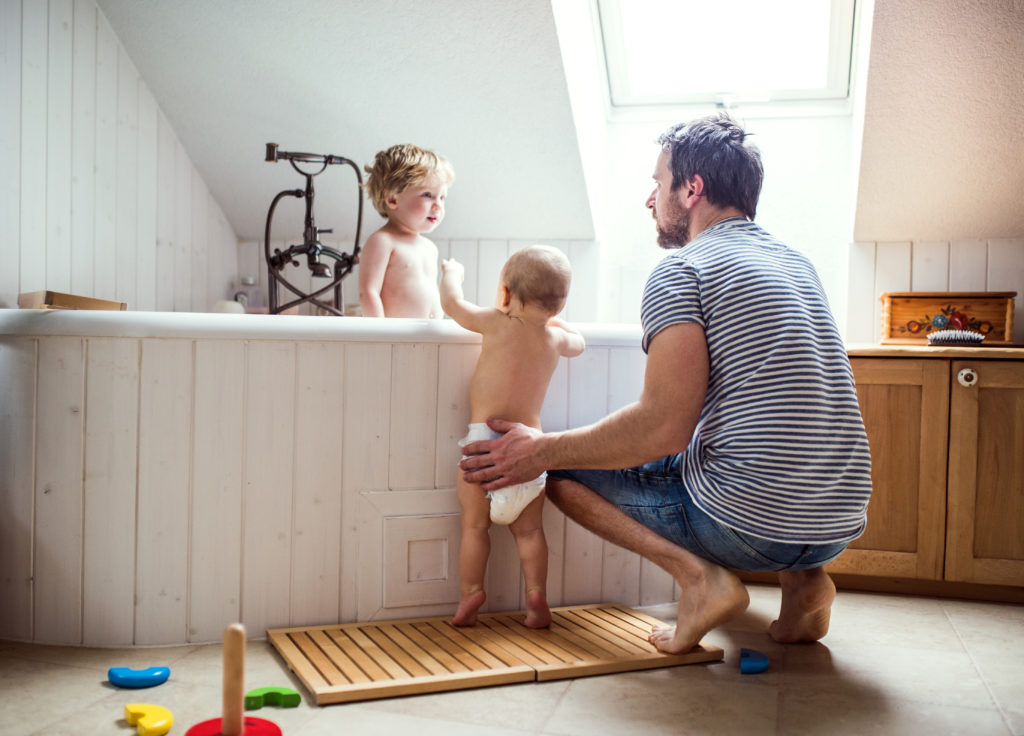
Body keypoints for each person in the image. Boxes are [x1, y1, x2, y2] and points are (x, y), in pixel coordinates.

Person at [457, 113, 872, 653]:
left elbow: (663, 427)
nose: (650, 200)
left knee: (554, 463)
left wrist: (539, 450)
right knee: (730, 446)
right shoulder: (796, 263)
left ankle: (701, 581)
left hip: (753, 523)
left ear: (692, 189)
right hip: (837, 520)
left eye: (657, 183)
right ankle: (807, 583)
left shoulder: (685, 270)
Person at [440, 246, 585, 628]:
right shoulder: (554, 340)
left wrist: (451, 271)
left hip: (482, 448)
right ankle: (536, 597)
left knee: (474, 527)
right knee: (531, 532)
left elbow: (453, 305)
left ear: (504, 295)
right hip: (528, 452)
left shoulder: (494, 321)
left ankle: (471, 593)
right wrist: (557, 324)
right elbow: (580, 343)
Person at [358, 143, 455, 318]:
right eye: (427, 195)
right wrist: (380, 334)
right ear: (393, 199)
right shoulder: (383, 241)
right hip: (396, 337)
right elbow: (368, 292)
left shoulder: (429, 247)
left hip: (430, 335)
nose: (438, 205)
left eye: (442, 197)